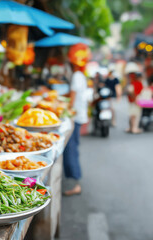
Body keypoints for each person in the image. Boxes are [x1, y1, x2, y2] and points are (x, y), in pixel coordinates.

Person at [63, 43, 90, 196]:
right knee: (73, 149)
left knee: (71, 149)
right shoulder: (80, 75)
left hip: (75, 116)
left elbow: (71, 101)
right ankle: (75, 180)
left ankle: (75, 183)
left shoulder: (77, 76)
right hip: (78, 115)